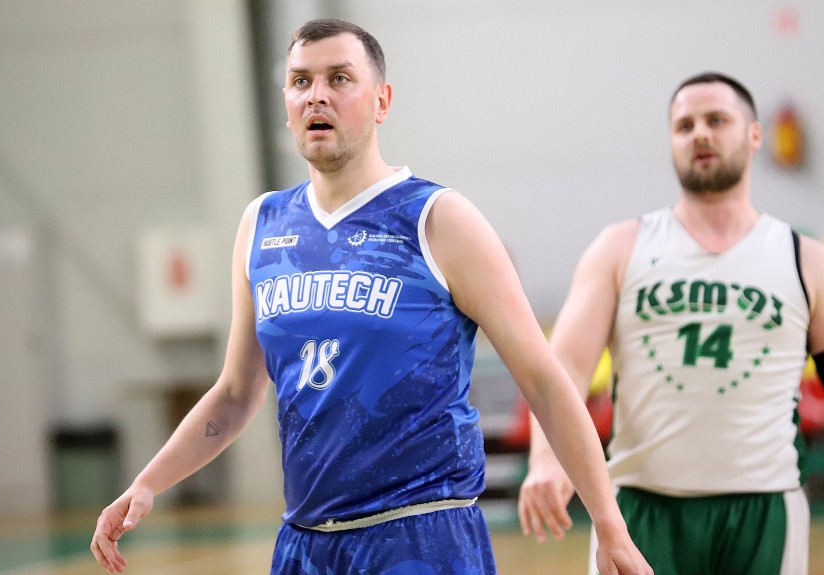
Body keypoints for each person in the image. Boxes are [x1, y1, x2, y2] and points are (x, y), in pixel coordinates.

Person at [91, 18, 650, 575]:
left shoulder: (438, 219)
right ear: (285, 103)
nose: (317, 95)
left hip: (422, 536)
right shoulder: (262, 223)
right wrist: (148, 483)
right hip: (306, 544)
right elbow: (236, 393)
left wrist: (609, 524)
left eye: (339, 78)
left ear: (382, 101)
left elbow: (544, 380)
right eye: (301, 81)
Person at [518, 71, 824, 575]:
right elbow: (564, 367)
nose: (699, 133)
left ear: (754, 134)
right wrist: (547, 458)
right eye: (684, 125)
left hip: (765, 506)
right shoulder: (621, 246)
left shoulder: (804, 258)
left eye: (716, 120)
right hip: (639, 506)